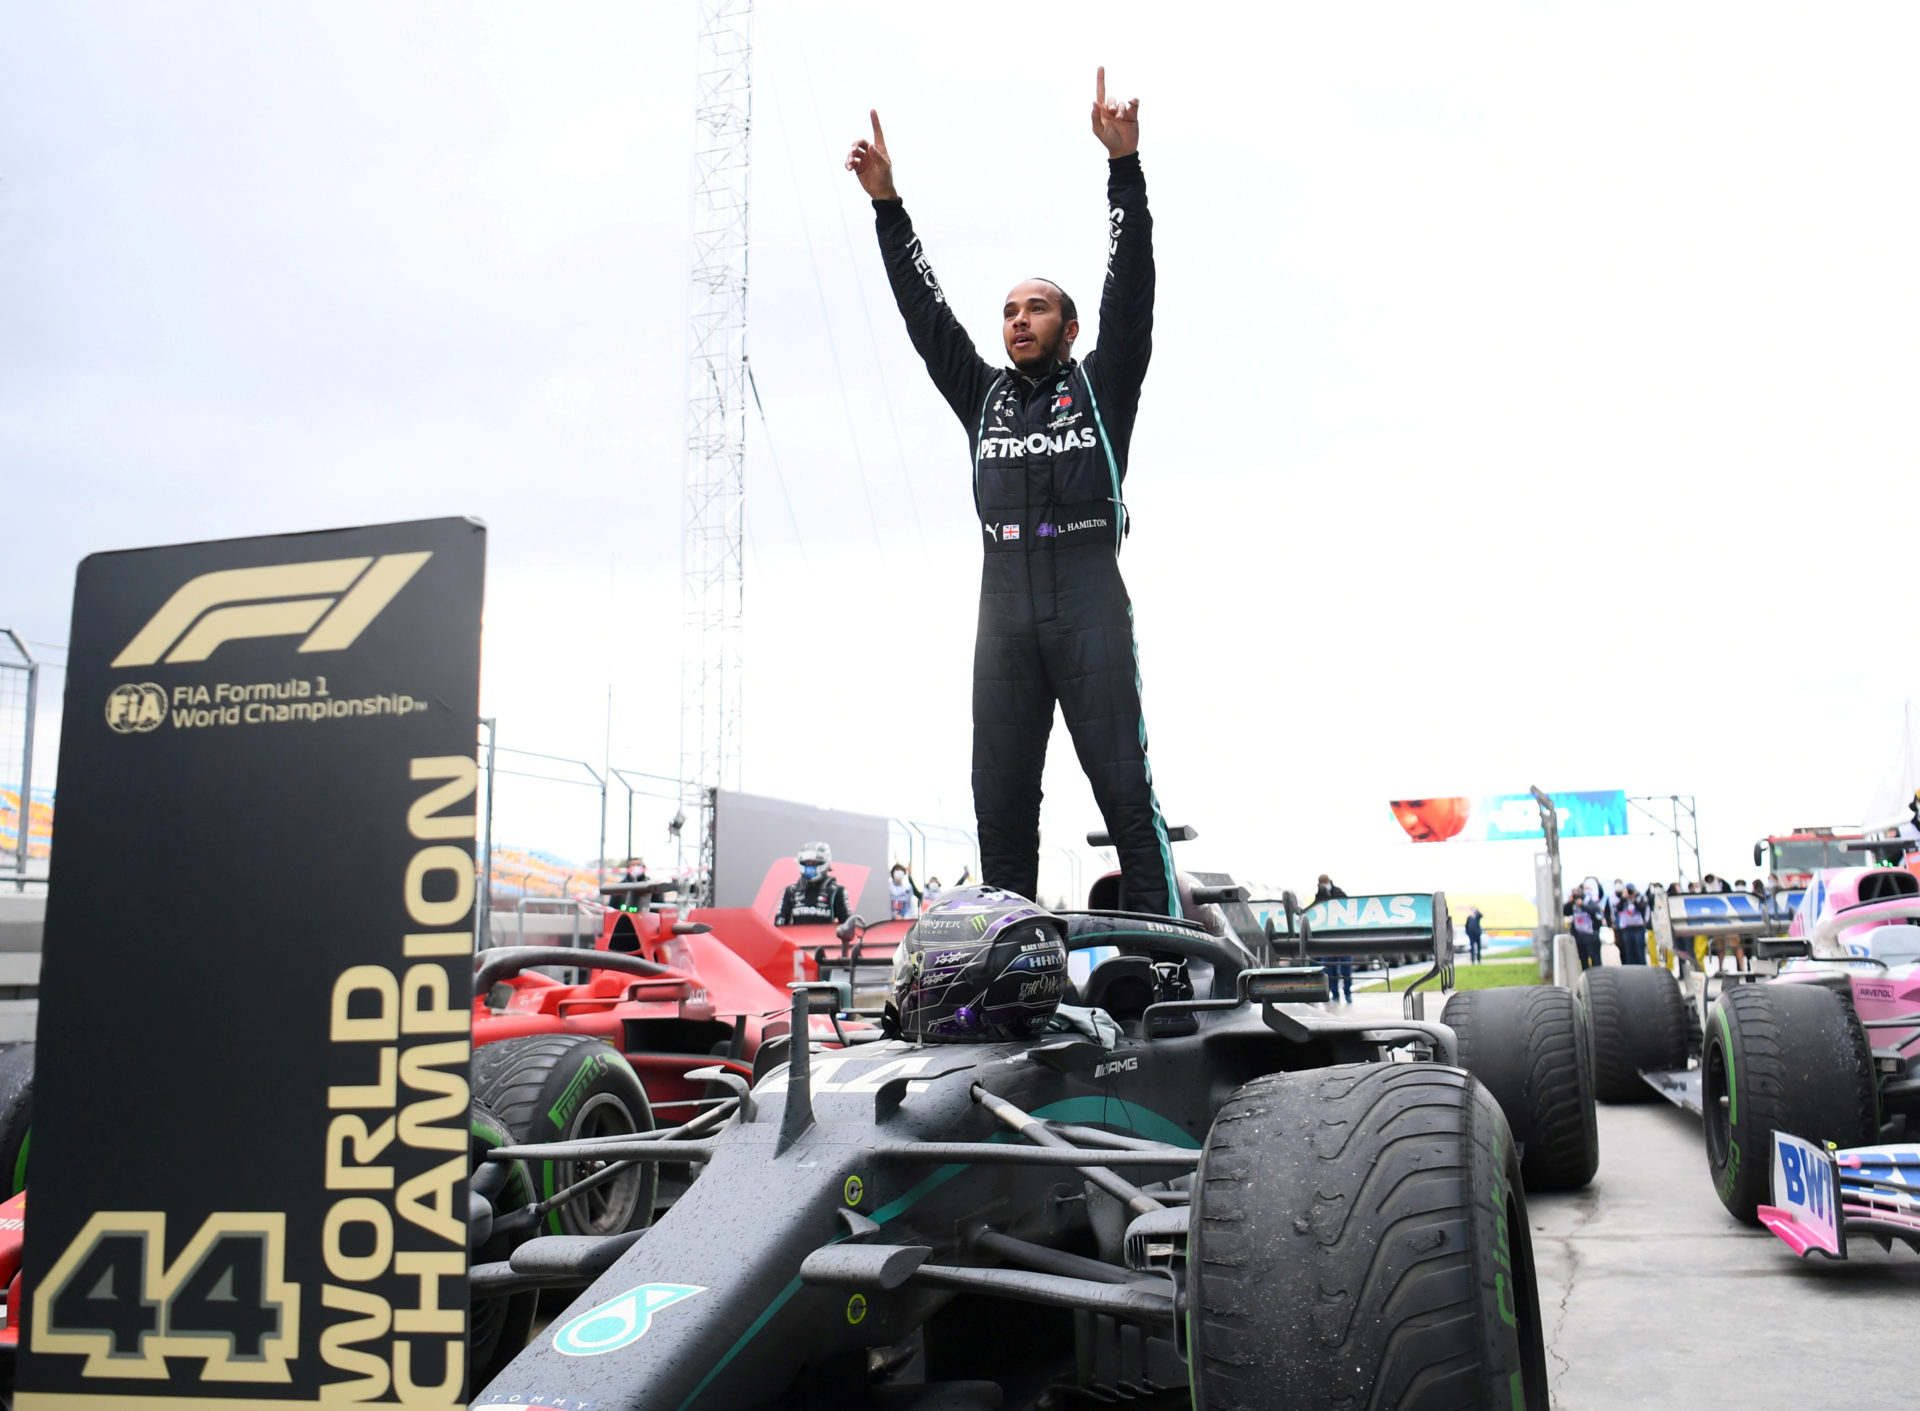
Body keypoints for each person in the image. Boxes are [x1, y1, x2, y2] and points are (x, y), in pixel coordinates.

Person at [849, 70, 1181, 918]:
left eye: (1037, 308)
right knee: (1000, 818)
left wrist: (1125, 170)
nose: (1018, 319)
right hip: (1002, 624)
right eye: (1008, 311)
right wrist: (889, 207)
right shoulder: (982, 394)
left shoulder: (1102, 386)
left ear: (1068, 329)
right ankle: (1011, 981)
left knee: (1126, 804)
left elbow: (1132, 293)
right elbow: (925, 315)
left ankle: (1165, 977)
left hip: (1090, 611)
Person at [776, 842, 850, 927]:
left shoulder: (836, 891)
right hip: (797, 939)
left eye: (814, 863)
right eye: (807, 863)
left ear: (824, 862)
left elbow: (848, 926)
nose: (810, 867)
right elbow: (780, 924)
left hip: (825, 939)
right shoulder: (791, 891)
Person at [1312, 875, 1353, 1002]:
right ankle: (1335, 994)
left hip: (1342, 937)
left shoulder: (1338, 892)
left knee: (1346, 968)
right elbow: (1316, 909)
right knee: (1330, 969)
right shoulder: (1319, 895)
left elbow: (1347, 906)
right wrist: (1322, 895)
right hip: (1328, 939)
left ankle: (1347, 993)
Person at [1567, 885, 1604, 969]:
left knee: (1595, 957)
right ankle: (1586, 976)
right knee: (1583, 958)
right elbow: (1565, 911)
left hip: (1591, 934)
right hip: (1579, 935)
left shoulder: (1590, 900)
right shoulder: (1573, 904)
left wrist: (1582, 905)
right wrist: (1570, 902)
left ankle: (1598, 974)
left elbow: (1593, 910)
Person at [1613, 885, 1648, 965]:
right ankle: (1631, 969)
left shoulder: (1640, 898)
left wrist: (1634, 898)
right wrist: (1624, 897)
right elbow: (1618, 908)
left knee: (1639, 951)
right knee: (1629, 952)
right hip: (1626, 929)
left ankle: (1643, 969)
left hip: (1638, 928)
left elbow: (1642, 908)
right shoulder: (1623, 900)